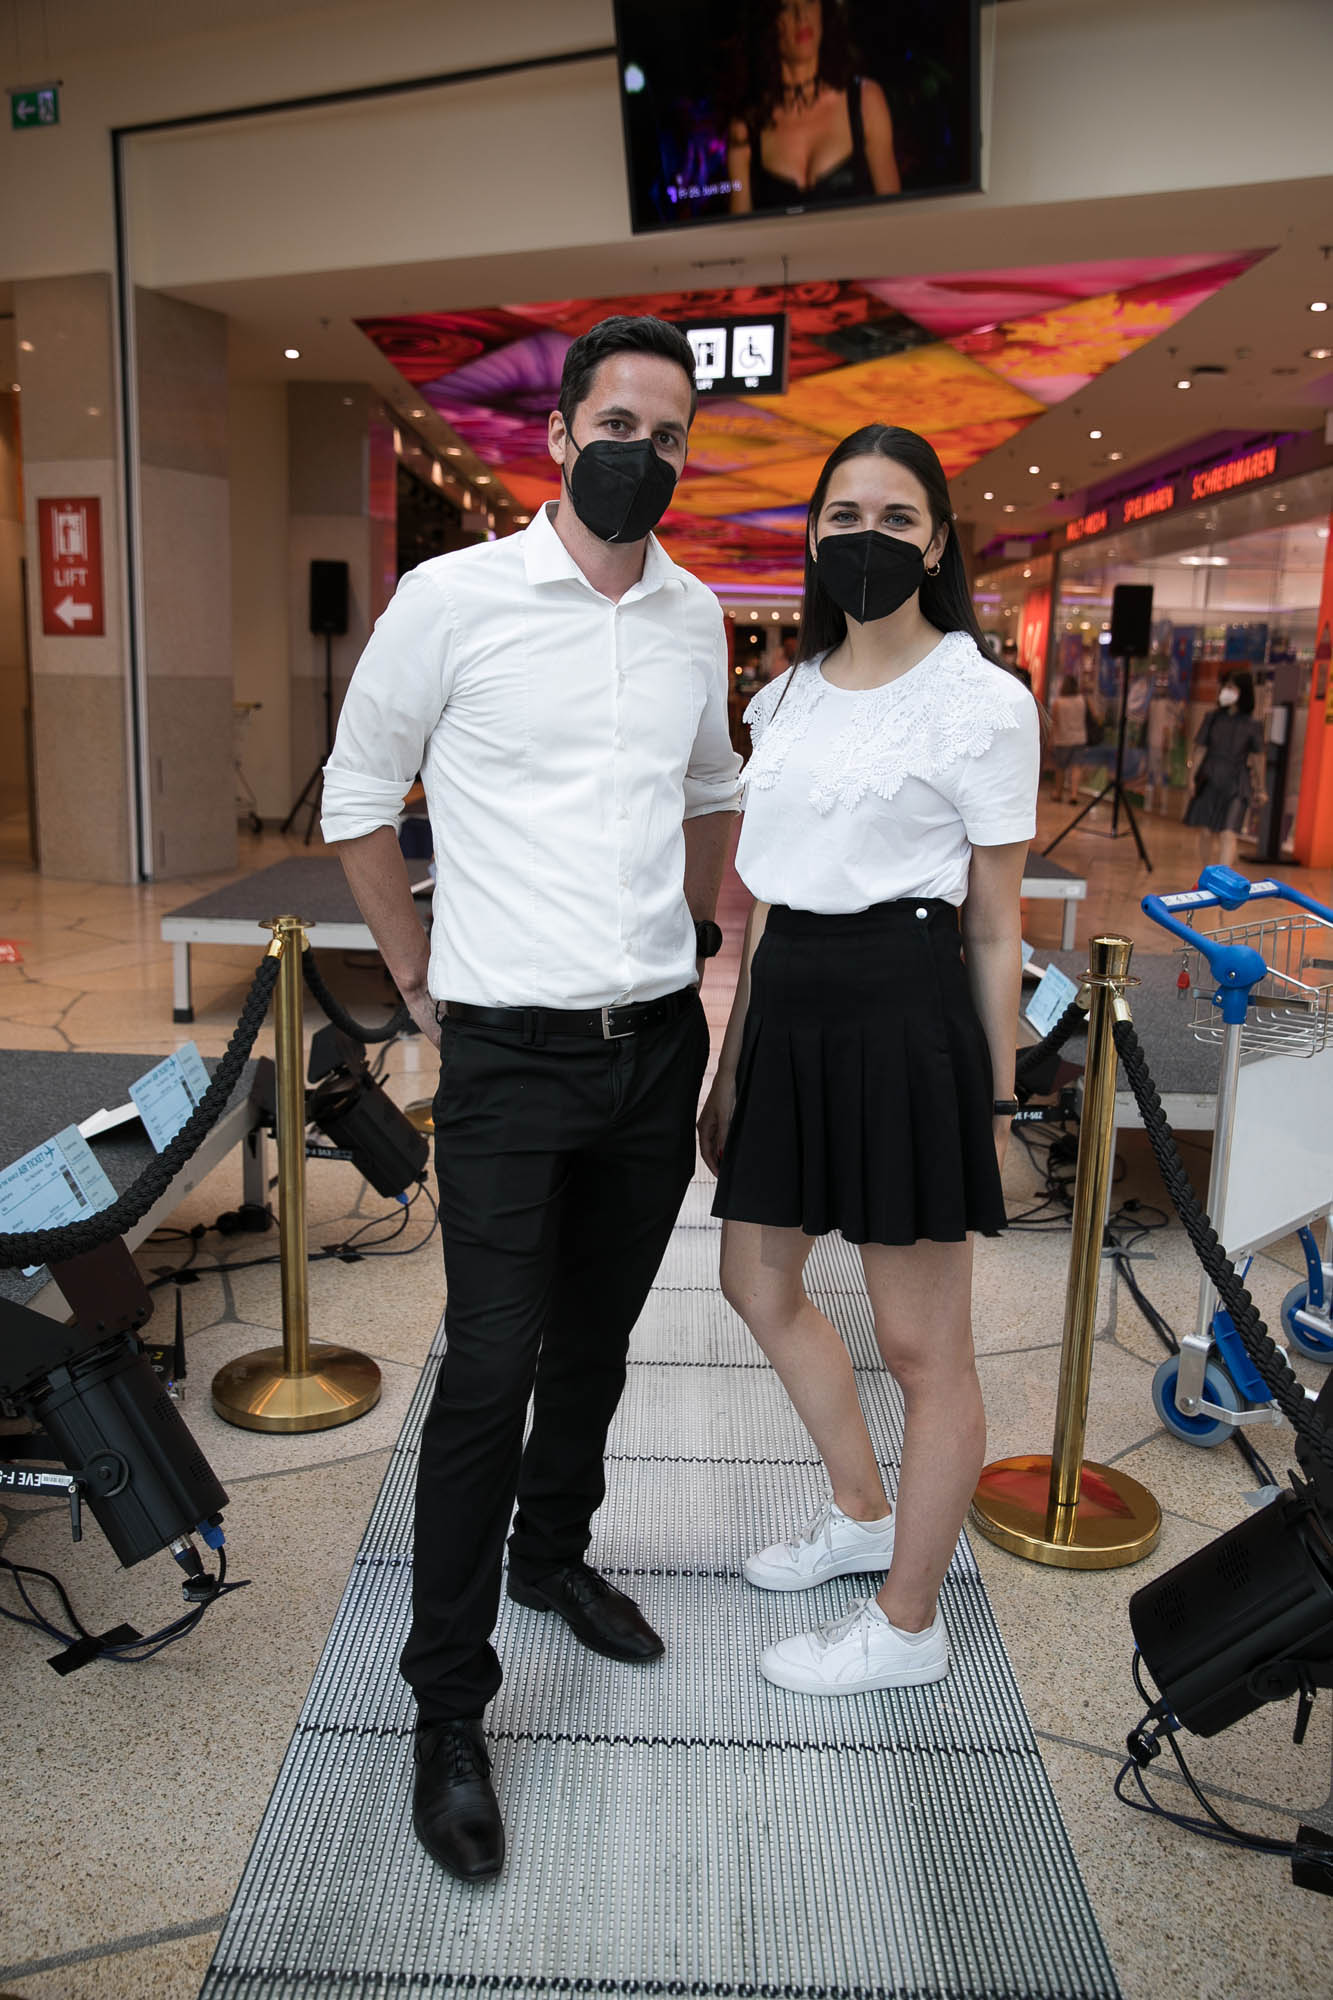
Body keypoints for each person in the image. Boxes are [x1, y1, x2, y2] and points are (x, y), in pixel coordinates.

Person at [321, 315, 742, 1881]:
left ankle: (550, 1554)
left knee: (599, 1340)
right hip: (504, 1055)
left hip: (651, 1049)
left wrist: (687, 939)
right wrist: (421, 977)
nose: (644, 452)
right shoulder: (454, 599)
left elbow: (712, 791)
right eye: (618, 424)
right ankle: (447, 1707)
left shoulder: (696, 614)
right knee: (489, 1367)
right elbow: (356, 800)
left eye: (670, 433)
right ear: (558, 437)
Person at [697, 422, 1039, 1696]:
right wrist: (731, 1062)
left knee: (919, 1343)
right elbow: (765, 904)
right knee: (754, 1280)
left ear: (938, 542)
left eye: (898, 517)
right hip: (788, 1004)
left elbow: (994, 923)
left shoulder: (981, 700)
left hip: (906, 1011)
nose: (867, 537)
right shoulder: (780, 696)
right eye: (844, 513)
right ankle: (856, 1509)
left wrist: (995, 1101)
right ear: (812, 534)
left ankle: (907, 1623)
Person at [728, 0, 899, 213]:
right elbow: (739, 230)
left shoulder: (866, 101)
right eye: (786, 6)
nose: (801, 16)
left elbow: (895, 219)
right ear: (768, 22)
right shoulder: (745, 125)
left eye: (809, 1)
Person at [1183, 669, 1266, 870]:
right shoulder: (1212, 718)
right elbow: (1200, 748)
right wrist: (1192, 777)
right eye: (1225, 686)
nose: (1226, 691)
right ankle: (1207, 872)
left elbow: (1258, 757)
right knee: (1206, 831)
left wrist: (1261, 787)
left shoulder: (1253, 725)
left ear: (1243, 692)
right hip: (1210, 777)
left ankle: (1222, 877)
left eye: (1231, 687)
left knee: (1229, 832)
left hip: (1237, 782)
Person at [1048, 672, 1088, 803]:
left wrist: (1051, 740)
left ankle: (1058, 793)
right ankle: (1074, 794)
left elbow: (1055, 723)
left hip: (1063, 740)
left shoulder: (1058, 703)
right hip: (1080, 738)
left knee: (1060, 767)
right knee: (1076, 767)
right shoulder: (1081, 700)